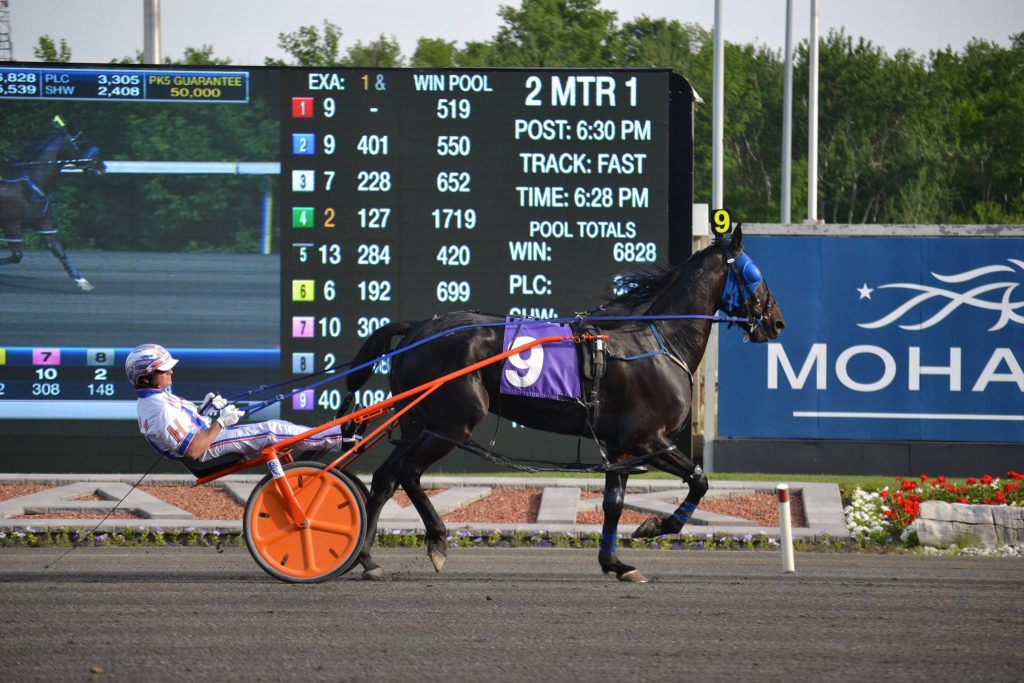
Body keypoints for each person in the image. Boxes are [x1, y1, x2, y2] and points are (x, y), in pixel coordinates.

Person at [126, 343, 355, 466]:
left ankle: (331, 434)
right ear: (145, 378)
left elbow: (187, 428)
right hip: (207, 451)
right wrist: (220, 423)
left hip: (207, 440)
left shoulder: (156, 399)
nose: (171, 371)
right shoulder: (158, 409)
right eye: (164, 370)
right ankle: (338, 438)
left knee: (274, 428)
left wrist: (206, 410)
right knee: (272, 431)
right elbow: (193, 451)